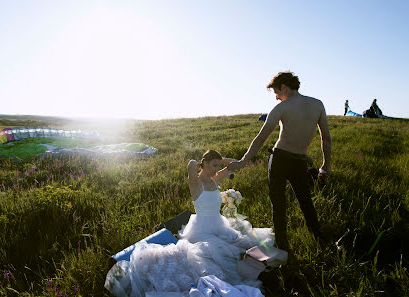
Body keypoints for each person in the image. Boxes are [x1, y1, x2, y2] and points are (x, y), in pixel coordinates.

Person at [105, 150, 274, 296]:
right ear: (204, 164)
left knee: (244, 243)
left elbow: (234, 164)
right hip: (202, 229)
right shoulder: (196, 183)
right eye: (213, 165)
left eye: (217, 166)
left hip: (219, 225)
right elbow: (191, 165)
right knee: (217, 256)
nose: (217, 169)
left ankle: (259, 264)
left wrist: (220, 160)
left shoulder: (214, 180)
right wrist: (200, 162)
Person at [228, 71, 332, 251]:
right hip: (300, 161)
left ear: (284, 87)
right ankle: (320, 240)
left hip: (280, 159)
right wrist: (325, 166)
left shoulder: (281, 108)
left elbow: (260, 139)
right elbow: (326, 138)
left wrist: (242, 161)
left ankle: (283, 246)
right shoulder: (317, 104)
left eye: (277, 92)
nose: (276, 98)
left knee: (279, 204)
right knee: (306, 202)